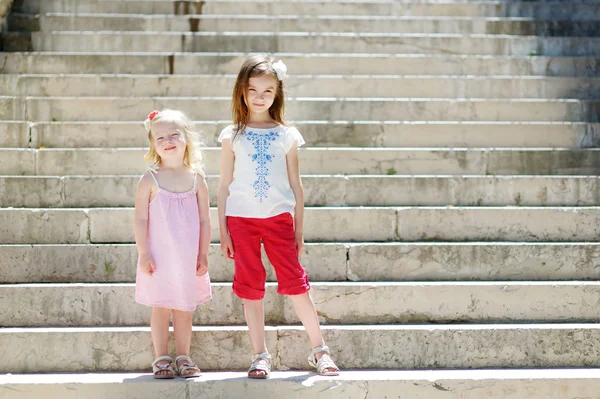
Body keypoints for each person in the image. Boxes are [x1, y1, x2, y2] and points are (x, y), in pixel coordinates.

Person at [217, 54, 340, 378]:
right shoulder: (232, 134)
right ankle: (260, 355)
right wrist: (223, 231)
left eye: (267, 91)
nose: (259, 97)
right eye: (253, 89)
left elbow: (296, 186)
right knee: (250, 286)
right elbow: (224, 186)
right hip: (241, 220)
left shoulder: (287, 134)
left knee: (296, 283)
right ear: (241, 91)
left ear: (277, 93)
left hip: (279, 219)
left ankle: (320, 351)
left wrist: (299, 229)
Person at [134, 109, 212, 379]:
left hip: (188, 256)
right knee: (160, 307)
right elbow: (141, 219)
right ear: (153, 144)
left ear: (187, 139)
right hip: (159, 256)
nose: (167, 141)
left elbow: (204, 220)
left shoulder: (196, 178)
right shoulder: (149, 179)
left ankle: (183, 355)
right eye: (160, 137)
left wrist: (203, 253)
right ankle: (161, 358)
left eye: (174, 135)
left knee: (184, 308)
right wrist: (143, 253)